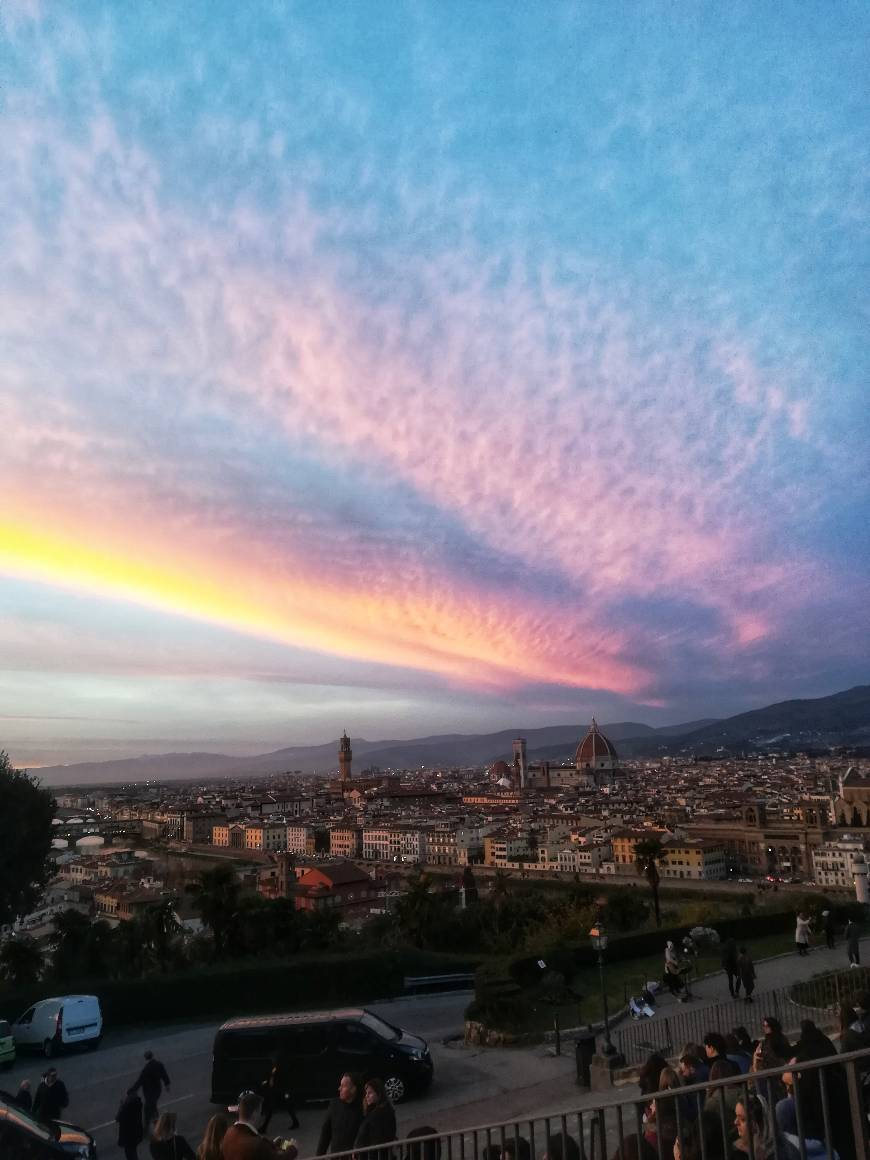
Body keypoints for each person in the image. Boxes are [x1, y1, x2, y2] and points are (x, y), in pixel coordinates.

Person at [221, 1092, 282, 1160]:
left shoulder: (229, 1132)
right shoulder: (257, 1144)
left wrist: (271, 1144)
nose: (260, 1115)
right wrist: (293, 1149)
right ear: (254, 1113)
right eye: (260, 1111)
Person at [317, 1072, 364, 1155]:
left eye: (343, 1086)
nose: (339, 1088)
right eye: (340, 1085)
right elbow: (325, 1134)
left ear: (353, 1089)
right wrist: (319, 1156)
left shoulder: (363, 1108)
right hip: (337, 1157)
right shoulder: (334, 1105)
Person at [353, 1077, 397, 1160]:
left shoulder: (378, 1114)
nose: (367, 1096)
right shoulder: (376, 1111)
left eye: (370, 1093)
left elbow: (376, 1139)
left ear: (378, 1093)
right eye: (366, 1093)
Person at [259, 1054, 299, 1134]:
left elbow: (283, 1080)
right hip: (276, 1091)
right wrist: (266, 1082)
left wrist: (286, 1092)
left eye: (273, 1059)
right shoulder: (274, 1068)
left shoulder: (280, 1068)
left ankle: (264, 1127)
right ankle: (295, 1122)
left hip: (280, 1091)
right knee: (285, 1107)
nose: (272, 1061)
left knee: (275, 1108)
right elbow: (272, 1078)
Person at [135, 1050, 171, 1132]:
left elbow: (140, 1081)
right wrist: (167, 1085)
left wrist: (131, 1090)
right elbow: (164, 1075)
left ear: (145, 1058)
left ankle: (150, 1128)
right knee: (153, 1108)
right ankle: (157, 1126)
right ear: (152, 1056)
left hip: (149, 1093)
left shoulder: (146, 1069)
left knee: (148, 1110)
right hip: (157, 1090)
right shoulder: (159, 1064)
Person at [732, 1096, 772, 1160]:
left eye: (742, 1119)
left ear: (756, 1124)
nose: (735, 1122)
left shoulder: (776, 1151)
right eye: (736, 1116)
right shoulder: (733, 1150)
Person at [117, 1088, 145, 1160]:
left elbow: (118, 1118)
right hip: (136, 1134)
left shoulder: (128, 1108)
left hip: (129, 1137)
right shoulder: (138, 1105)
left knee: (130, 1154)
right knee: (133, 1152)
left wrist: (122, 1106)